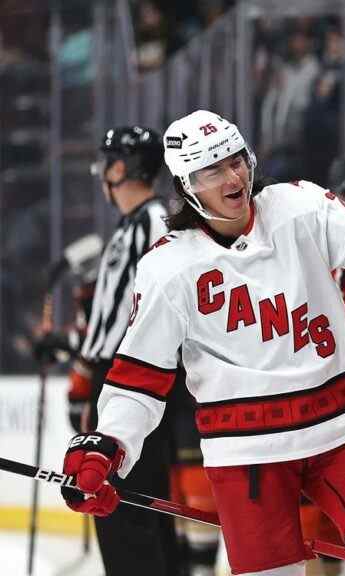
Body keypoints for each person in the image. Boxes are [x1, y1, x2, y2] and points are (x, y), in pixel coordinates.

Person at [60, 110, 345, 576]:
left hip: (341, 426)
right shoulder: (168, 268)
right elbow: (140, 378)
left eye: (235, 160)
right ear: (185, 185)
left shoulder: (297, 206)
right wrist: (107, 444)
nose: (233, 176)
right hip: (248, 453)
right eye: (213, 169)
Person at [67, 125, 179, 574]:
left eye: (106, 163)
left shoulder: (151, 223)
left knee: (123, 508)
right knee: (124, 508)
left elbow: (144, 312)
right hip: (120, 376)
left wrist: (89, 361)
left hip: (132, 381)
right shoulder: (133, 225)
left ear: (119, 167)